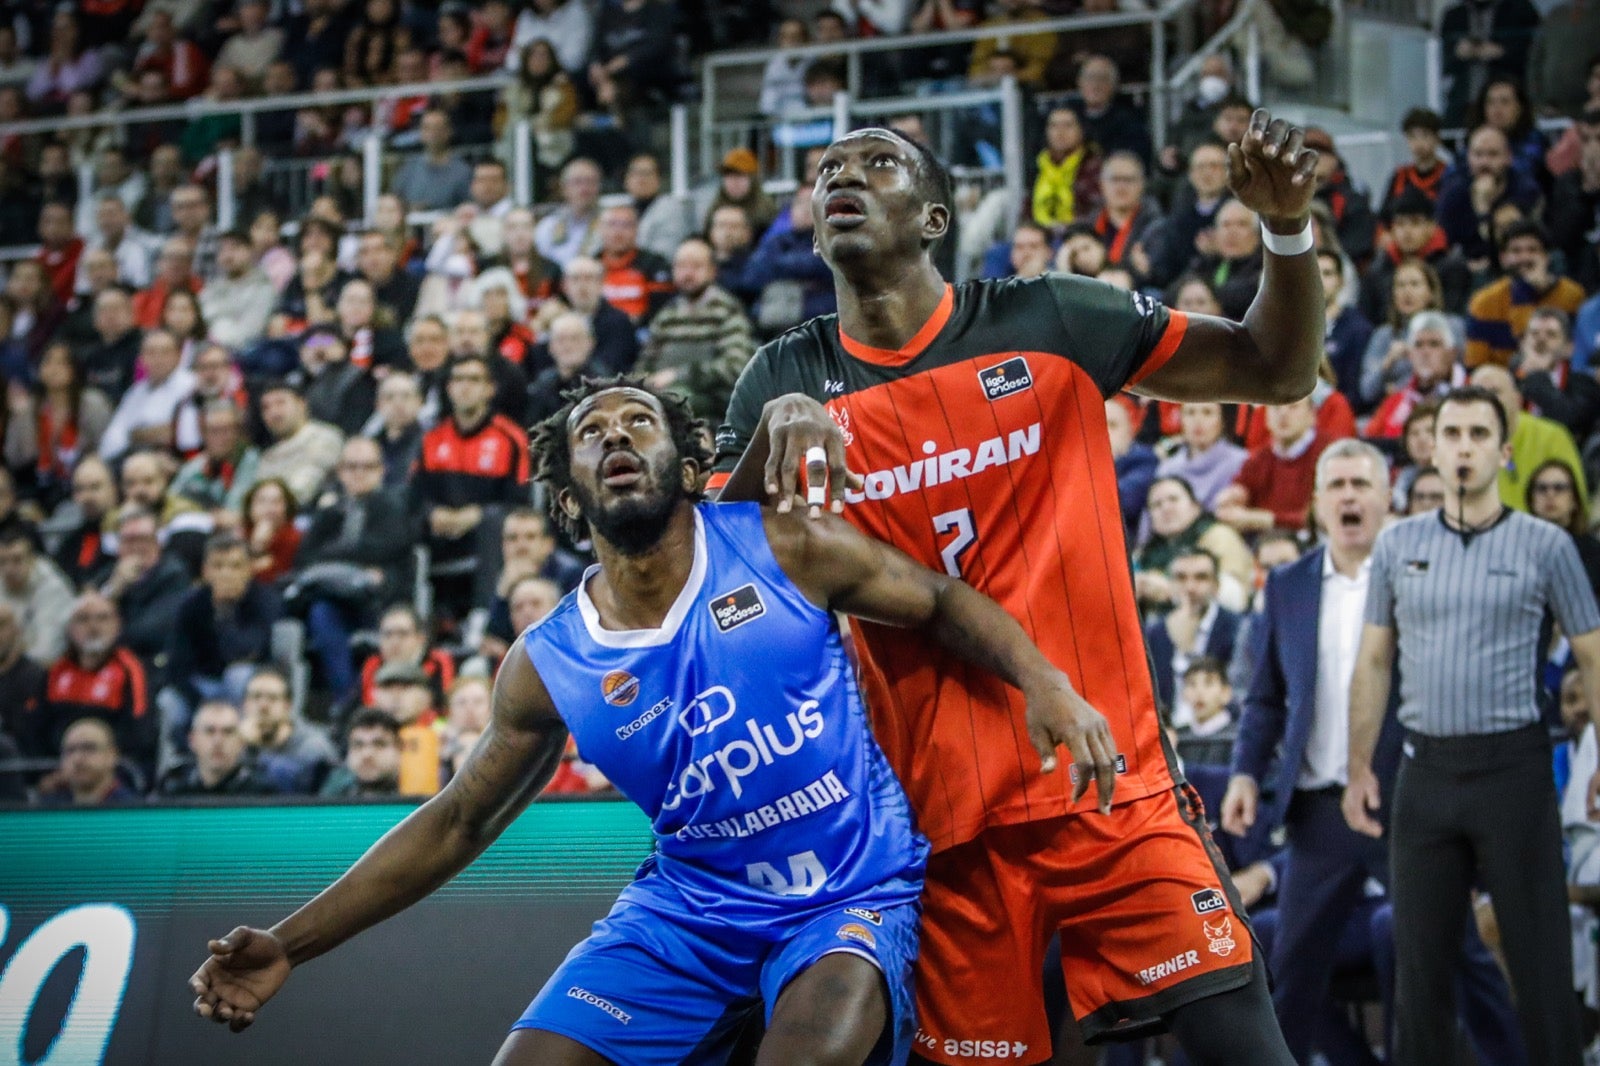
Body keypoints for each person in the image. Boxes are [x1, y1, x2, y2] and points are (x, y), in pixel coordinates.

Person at [190, 377, 1111, 1063]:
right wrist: (288, 945)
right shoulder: (548, 662)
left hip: (847, 898)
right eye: (593, 431)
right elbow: (457, 820)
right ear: (567, 497)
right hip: (687, 912)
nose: (618, 434)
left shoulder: (782, 545)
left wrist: (1045, 681)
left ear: (686, 461)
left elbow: (942, 600)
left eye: (640, 420)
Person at [713, 111, 1325, 1062]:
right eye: (828, 167)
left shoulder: (1053, 316)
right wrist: (766, 440)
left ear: (932, 217)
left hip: (1114, 788)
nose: (844, 176)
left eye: (878, 163)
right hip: (944, 834)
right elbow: (717, 583)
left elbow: (1277, 370)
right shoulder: (784, 376)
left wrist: (1285, 231)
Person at [1224, 439, 1524, 1066]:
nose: (1349, 496)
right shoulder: (1289, 584)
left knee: (1459, 951)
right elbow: (1265, 700)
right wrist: (1246, 773)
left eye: (1362, 485)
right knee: (1292, 968)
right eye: (1336, 486)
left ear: (1388, 500)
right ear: (1317, 503)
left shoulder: (1424, 575)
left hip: (1405, 802)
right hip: (1318, 811)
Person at [1343, 386, 1600, 1066]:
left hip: (1514, 771)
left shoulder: (1547, 545)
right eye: (1450, 433)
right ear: (1432, 445)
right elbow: (1373, 660)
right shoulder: (1397, 546)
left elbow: (1594, 655)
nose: (1462, 446)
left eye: (1478, 435)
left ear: (1504, 451)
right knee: (1419, 971)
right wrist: (1359, 764)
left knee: (1541, 965)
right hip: (1425, 775)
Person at [1144, 548, 1242, 726]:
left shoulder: (1237, 628)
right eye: (1181, 578)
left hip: (1220, 737)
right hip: (1168, 736)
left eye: (1201, 577)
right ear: (1170, 584)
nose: (1190, 587)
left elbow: (1241, 692)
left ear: (1216, 586)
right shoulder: (1154, 633)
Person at [159, 699, 276, 797]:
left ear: (241, 742)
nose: (218, 741)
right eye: (209, 731)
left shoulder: (262, 793)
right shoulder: (174, 787)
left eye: (228, 732)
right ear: (192, 740)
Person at [0, 522, 74, 667]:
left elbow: (46, 653)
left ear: (33, 560)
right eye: (2, 562)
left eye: (17, 560)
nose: (8, 569)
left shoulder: (53, 588)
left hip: (41, 673)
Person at [38, 717, 137, 805]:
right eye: (70, 750)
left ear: (112, 755)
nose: (77, 759)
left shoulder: (134, 809)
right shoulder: (47, 811)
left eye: (89, 748)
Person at [317, 707, 402, 798]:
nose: (367, 754)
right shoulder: (335, 788)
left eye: (379, 744)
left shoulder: (416, 790)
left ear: (399, 749)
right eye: (358, 745)